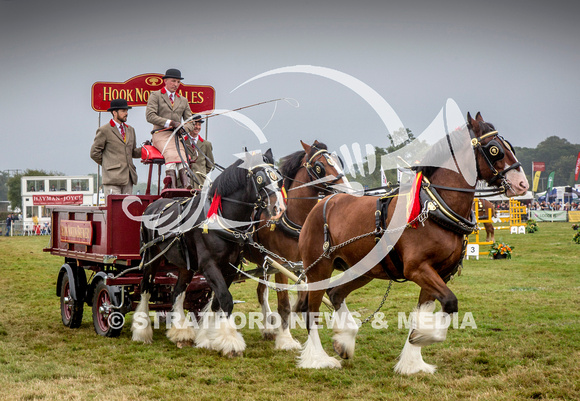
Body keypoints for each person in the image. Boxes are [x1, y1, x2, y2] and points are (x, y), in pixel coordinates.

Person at [146, 68, 195, 189]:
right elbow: (150, 116)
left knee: (183, 159)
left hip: (176, 136)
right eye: (173, 81)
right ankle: (171, 188)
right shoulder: (156, 95)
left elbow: (191, 122)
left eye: (178, 82)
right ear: (165, 81)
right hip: (160, 134)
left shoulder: (183, 100)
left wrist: (184, 129)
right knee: (171, 156)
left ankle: (186, 187)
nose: (176, 84)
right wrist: (170, 123)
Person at [90, 98, 141, 196]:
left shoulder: (130, 130)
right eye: (123, 111)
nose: (126, 113)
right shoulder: (104, 130)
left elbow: (132, 152)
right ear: (114, 112)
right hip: (112, 179)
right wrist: (108, 164)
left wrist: (145, 150)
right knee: (113, 209)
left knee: (126, 209)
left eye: (126, 111)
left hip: (129, 178)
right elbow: (94, 153)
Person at [184, 115, 214, 189]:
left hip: (200, 184)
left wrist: (201, 173)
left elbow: (210, 165)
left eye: (199, 125)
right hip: (183, 184)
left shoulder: (206, 144)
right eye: (195, 124)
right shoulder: (181, 142)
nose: (197, 127)